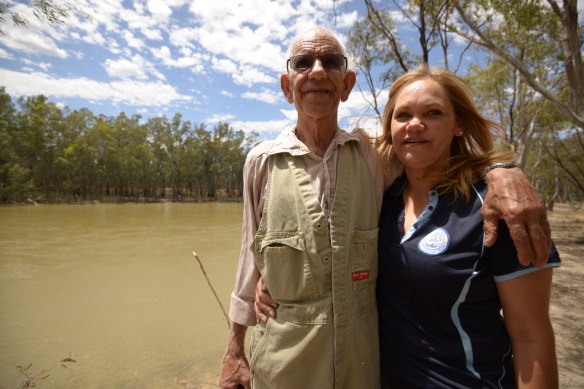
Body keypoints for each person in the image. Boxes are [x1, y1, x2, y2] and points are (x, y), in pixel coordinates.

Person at [221, 27, 551, 389]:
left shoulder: (372, 155)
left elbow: (433, 149)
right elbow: (249, 254)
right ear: (288, 86)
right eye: (304, 63)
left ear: (346, 85)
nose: (317, 71)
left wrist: (503, 172)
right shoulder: (261, 161)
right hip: (285, 360)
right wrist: (235, 348)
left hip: (361, 363)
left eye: (330, 62)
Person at [376, 65, 560, 388]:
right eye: (402, 115)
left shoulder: (498, 209)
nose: (415, 124)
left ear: (458, 125)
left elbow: (532, 338)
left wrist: (502, 170)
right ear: (390, 127)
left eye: (433, 113)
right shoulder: (380, 196)